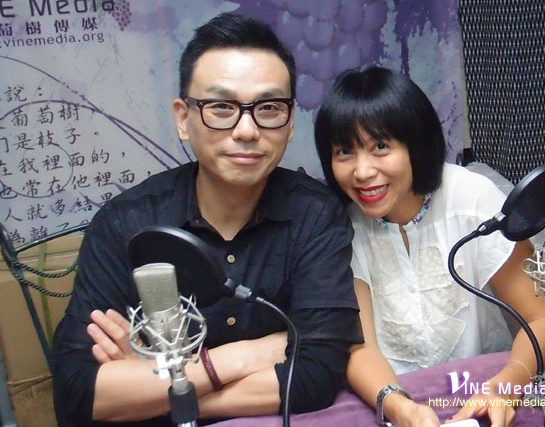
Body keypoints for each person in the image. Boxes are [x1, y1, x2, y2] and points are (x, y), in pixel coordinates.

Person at [53, 13, 362, 426]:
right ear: (184, 118)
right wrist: (242, 357)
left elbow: (314, 377)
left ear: (290, 123)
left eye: (269, 108)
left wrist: (157, 387)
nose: (247, 130)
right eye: (221, 107)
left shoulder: (316, 214)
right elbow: (79, 395)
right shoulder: (125, 223)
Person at [314, 66, 545, 427]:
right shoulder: (338, 227)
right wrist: (400, 408)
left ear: (416, 144)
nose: (362, 172)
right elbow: (360, 346)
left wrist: (505, 386)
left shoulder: (473, 198)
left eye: (380, 146)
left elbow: (543, 319)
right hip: (391, 400)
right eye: (344, 151)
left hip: (484, 392)